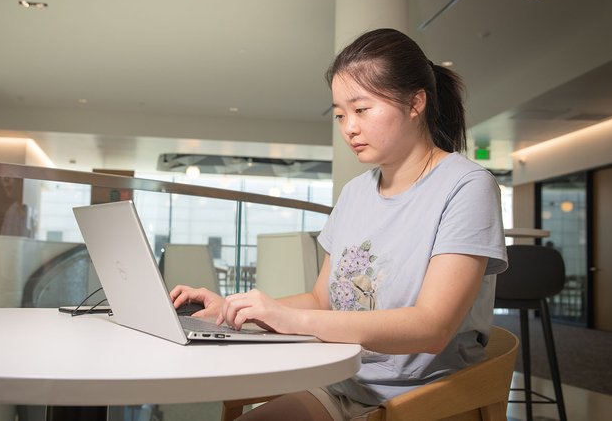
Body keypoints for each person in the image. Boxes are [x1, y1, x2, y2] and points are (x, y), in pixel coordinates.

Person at [170, 28, 508, 420]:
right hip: (342, 384)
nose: (348, 127)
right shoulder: (354, 194)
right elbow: (320, 300)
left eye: (361, 110)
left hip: (419, 400)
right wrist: (230, 310)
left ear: (415, 102)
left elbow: (432, 327)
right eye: (340, 114)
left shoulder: (466, 186)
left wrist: (293, 320)